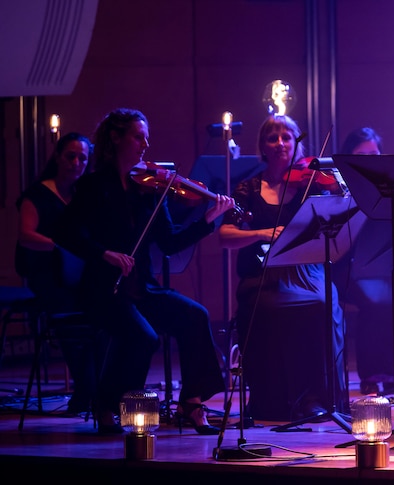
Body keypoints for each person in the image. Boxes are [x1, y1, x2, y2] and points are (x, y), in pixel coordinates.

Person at [54, 108, 232, 434]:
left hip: (141, 288)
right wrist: (104, 253)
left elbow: (168, 242)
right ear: (115, 137)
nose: (145, 144)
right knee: (143, 337)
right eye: (138, 136)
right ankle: (108, 403)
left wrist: (208, 220)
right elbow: (66, 233)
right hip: (103, 290)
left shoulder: (148, 188)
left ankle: (191, 403)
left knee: (195, 315)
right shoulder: (93, 186)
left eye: (146, 136)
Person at [218, 114, 348, 422]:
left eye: (287, 137)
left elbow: (338, 217)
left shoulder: (311, 185)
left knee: (321, 304)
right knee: (266, 307)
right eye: (272, 138)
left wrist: (340, 193)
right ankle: (271, 399)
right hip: (262, 275)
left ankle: (317, 399)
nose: (280, 144)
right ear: (262, 146)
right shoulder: (248, 189)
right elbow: (225, 236)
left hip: (306, 271)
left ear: (296, 144)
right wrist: (262, 234)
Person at [333, 127, 394, 396]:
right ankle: (373, 373)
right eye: (363, 155)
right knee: (375, 301)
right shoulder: (341, 188)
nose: (371, 160)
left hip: (385, 266)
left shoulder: (389, 187)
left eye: (375, 154)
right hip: (349, 268)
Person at [15, 132, 100, 414]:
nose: (77, 163)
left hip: (78, 274)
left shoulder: (85, 195)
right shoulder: (37, 194)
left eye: (83, 158)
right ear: (58, 157)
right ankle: (86, 388)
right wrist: (61, 247)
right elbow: (26, 235)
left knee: (105, 306)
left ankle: (96, 389)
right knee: (69, 308)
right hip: (48, 275)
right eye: (71, 156)